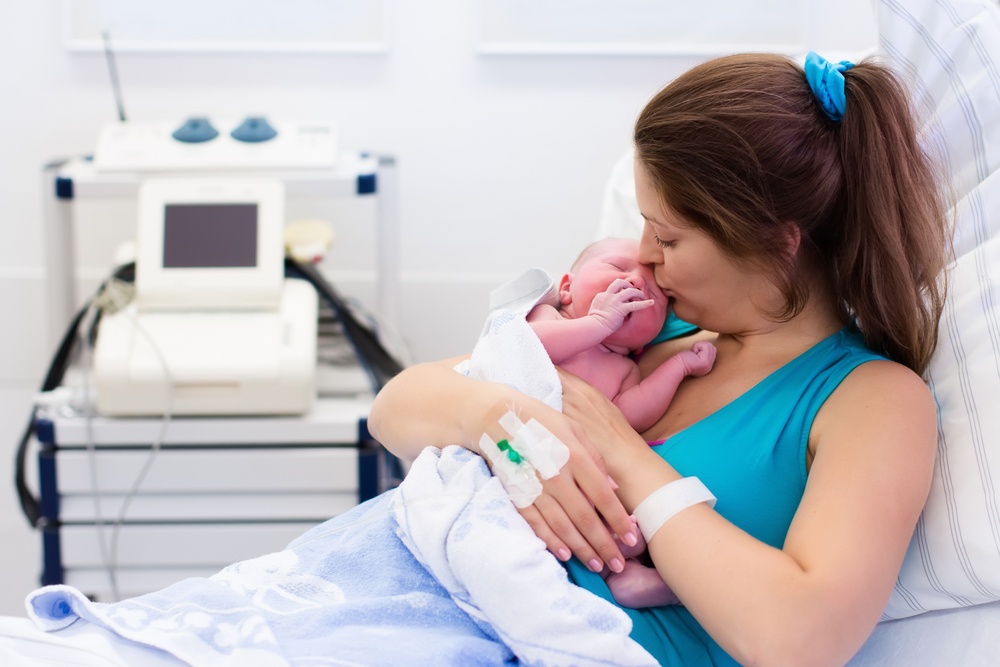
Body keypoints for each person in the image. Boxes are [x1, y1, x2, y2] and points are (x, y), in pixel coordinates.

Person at [369, 50, 949, 666]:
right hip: (425, 600)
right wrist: (500, 416)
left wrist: (619, 447)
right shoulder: (648, 329)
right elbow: (394, 409)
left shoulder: (871, 400)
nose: (643, 255)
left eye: (668, 237)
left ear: (779, 243)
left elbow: (800, 639)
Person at [526, 237, 715, 607]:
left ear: (644, 344)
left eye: (656, 298)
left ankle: (623, 574)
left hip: (581, 471)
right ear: (566, 289)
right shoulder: (548, 318)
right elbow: (527, 348)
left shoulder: (625, 368)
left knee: (624, 524)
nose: (637, 284)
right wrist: (597, 323)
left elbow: (628, 415)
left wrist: (679, 367)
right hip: (520, 453)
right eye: (617, 268)